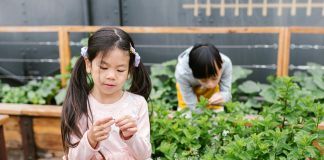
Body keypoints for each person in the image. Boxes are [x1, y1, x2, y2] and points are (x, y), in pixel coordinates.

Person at [61, 27, 152, 160]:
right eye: (103, 67)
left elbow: (144, 155)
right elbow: (73, 157)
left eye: (120, 70)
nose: (111, 76)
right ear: (88, 64)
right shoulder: (79, 104)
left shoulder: (138, 103)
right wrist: (90, 139)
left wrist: (131, 136)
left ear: (129, 71)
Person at [175, 43, 232, 112]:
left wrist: (223, 97)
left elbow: (226, 92)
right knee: (186, 115)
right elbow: (191, 105)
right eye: (204, 80)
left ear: (221, 66)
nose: (211, 85)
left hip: (212, 92)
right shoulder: (182, 73)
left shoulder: (226, 63)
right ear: (192, 71)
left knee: (217, 116)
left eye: (214, 78)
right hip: (188, 90)